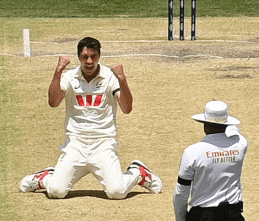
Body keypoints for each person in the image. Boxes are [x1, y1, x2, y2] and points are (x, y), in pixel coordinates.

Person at [18, 37, 162, 199]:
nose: (89, 61)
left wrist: (122, 79)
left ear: (99, 56)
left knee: (117, 192)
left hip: (103, 144)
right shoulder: (70, 76)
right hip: (75, 144)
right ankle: (46, 177)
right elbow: (54, 102)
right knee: (56, 192)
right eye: (85, 57)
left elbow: (127, 108)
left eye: (93, 56)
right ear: (79, 57)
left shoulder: (110, 77)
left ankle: (137, 173)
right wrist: (58, 71)